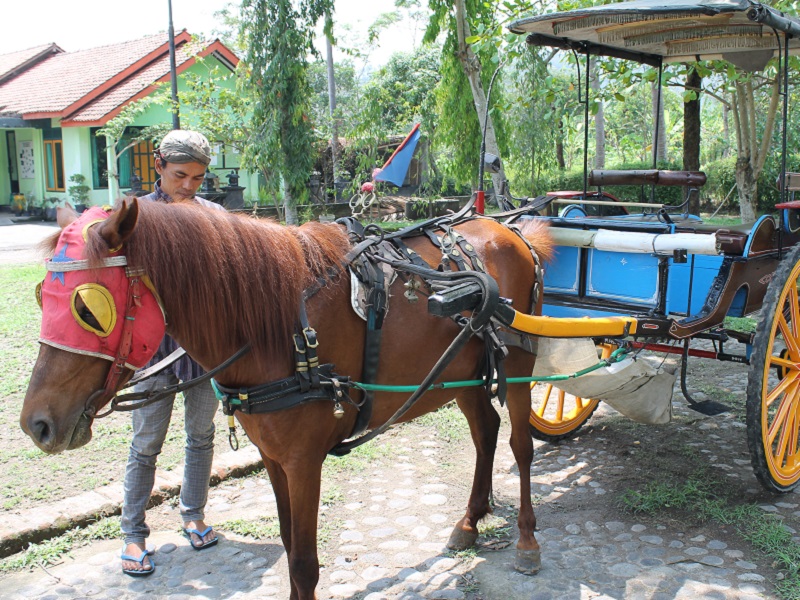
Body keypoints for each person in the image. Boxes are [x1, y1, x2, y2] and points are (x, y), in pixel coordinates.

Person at [120, 130, 224, 577]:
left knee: (201, 436)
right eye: (180, 175)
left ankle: (193, 513)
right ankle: (132, 534)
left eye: (198, 178)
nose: (188, 186)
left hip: (204, 349)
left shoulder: (215, 217)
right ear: (159, 165)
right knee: (146, 443)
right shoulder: (136, 217)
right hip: (152, 350)